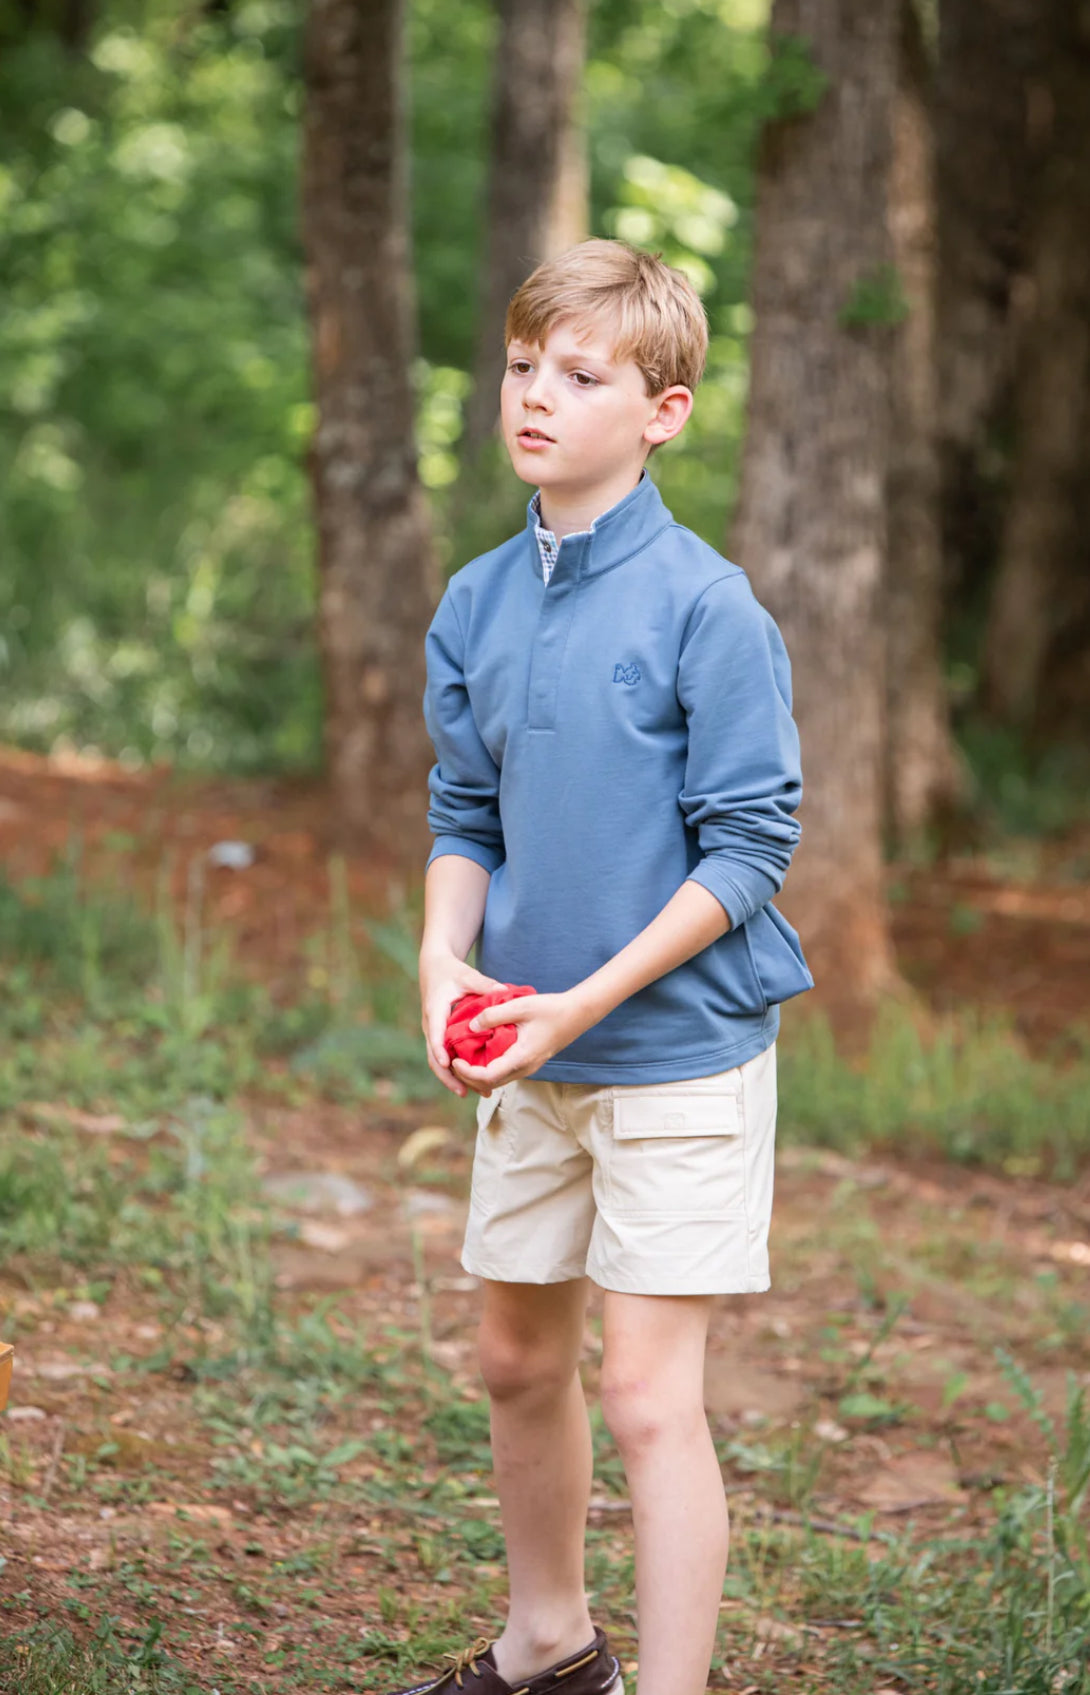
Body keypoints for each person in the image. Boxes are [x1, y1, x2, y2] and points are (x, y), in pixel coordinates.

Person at [405, 240, 813, 1695]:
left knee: (647, 1399)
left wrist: (587, 997)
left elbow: (751, 850)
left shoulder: (708, 608)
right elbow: (464, 812)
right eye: (522, 364)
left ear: (662, 411)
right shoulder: (474, 599)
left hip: (678, 1060)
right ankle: (548, 1643)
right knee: (515, 1361)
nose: (533, 394)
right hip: (527, 1050)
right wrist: (445, 958)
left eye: (579, 375)